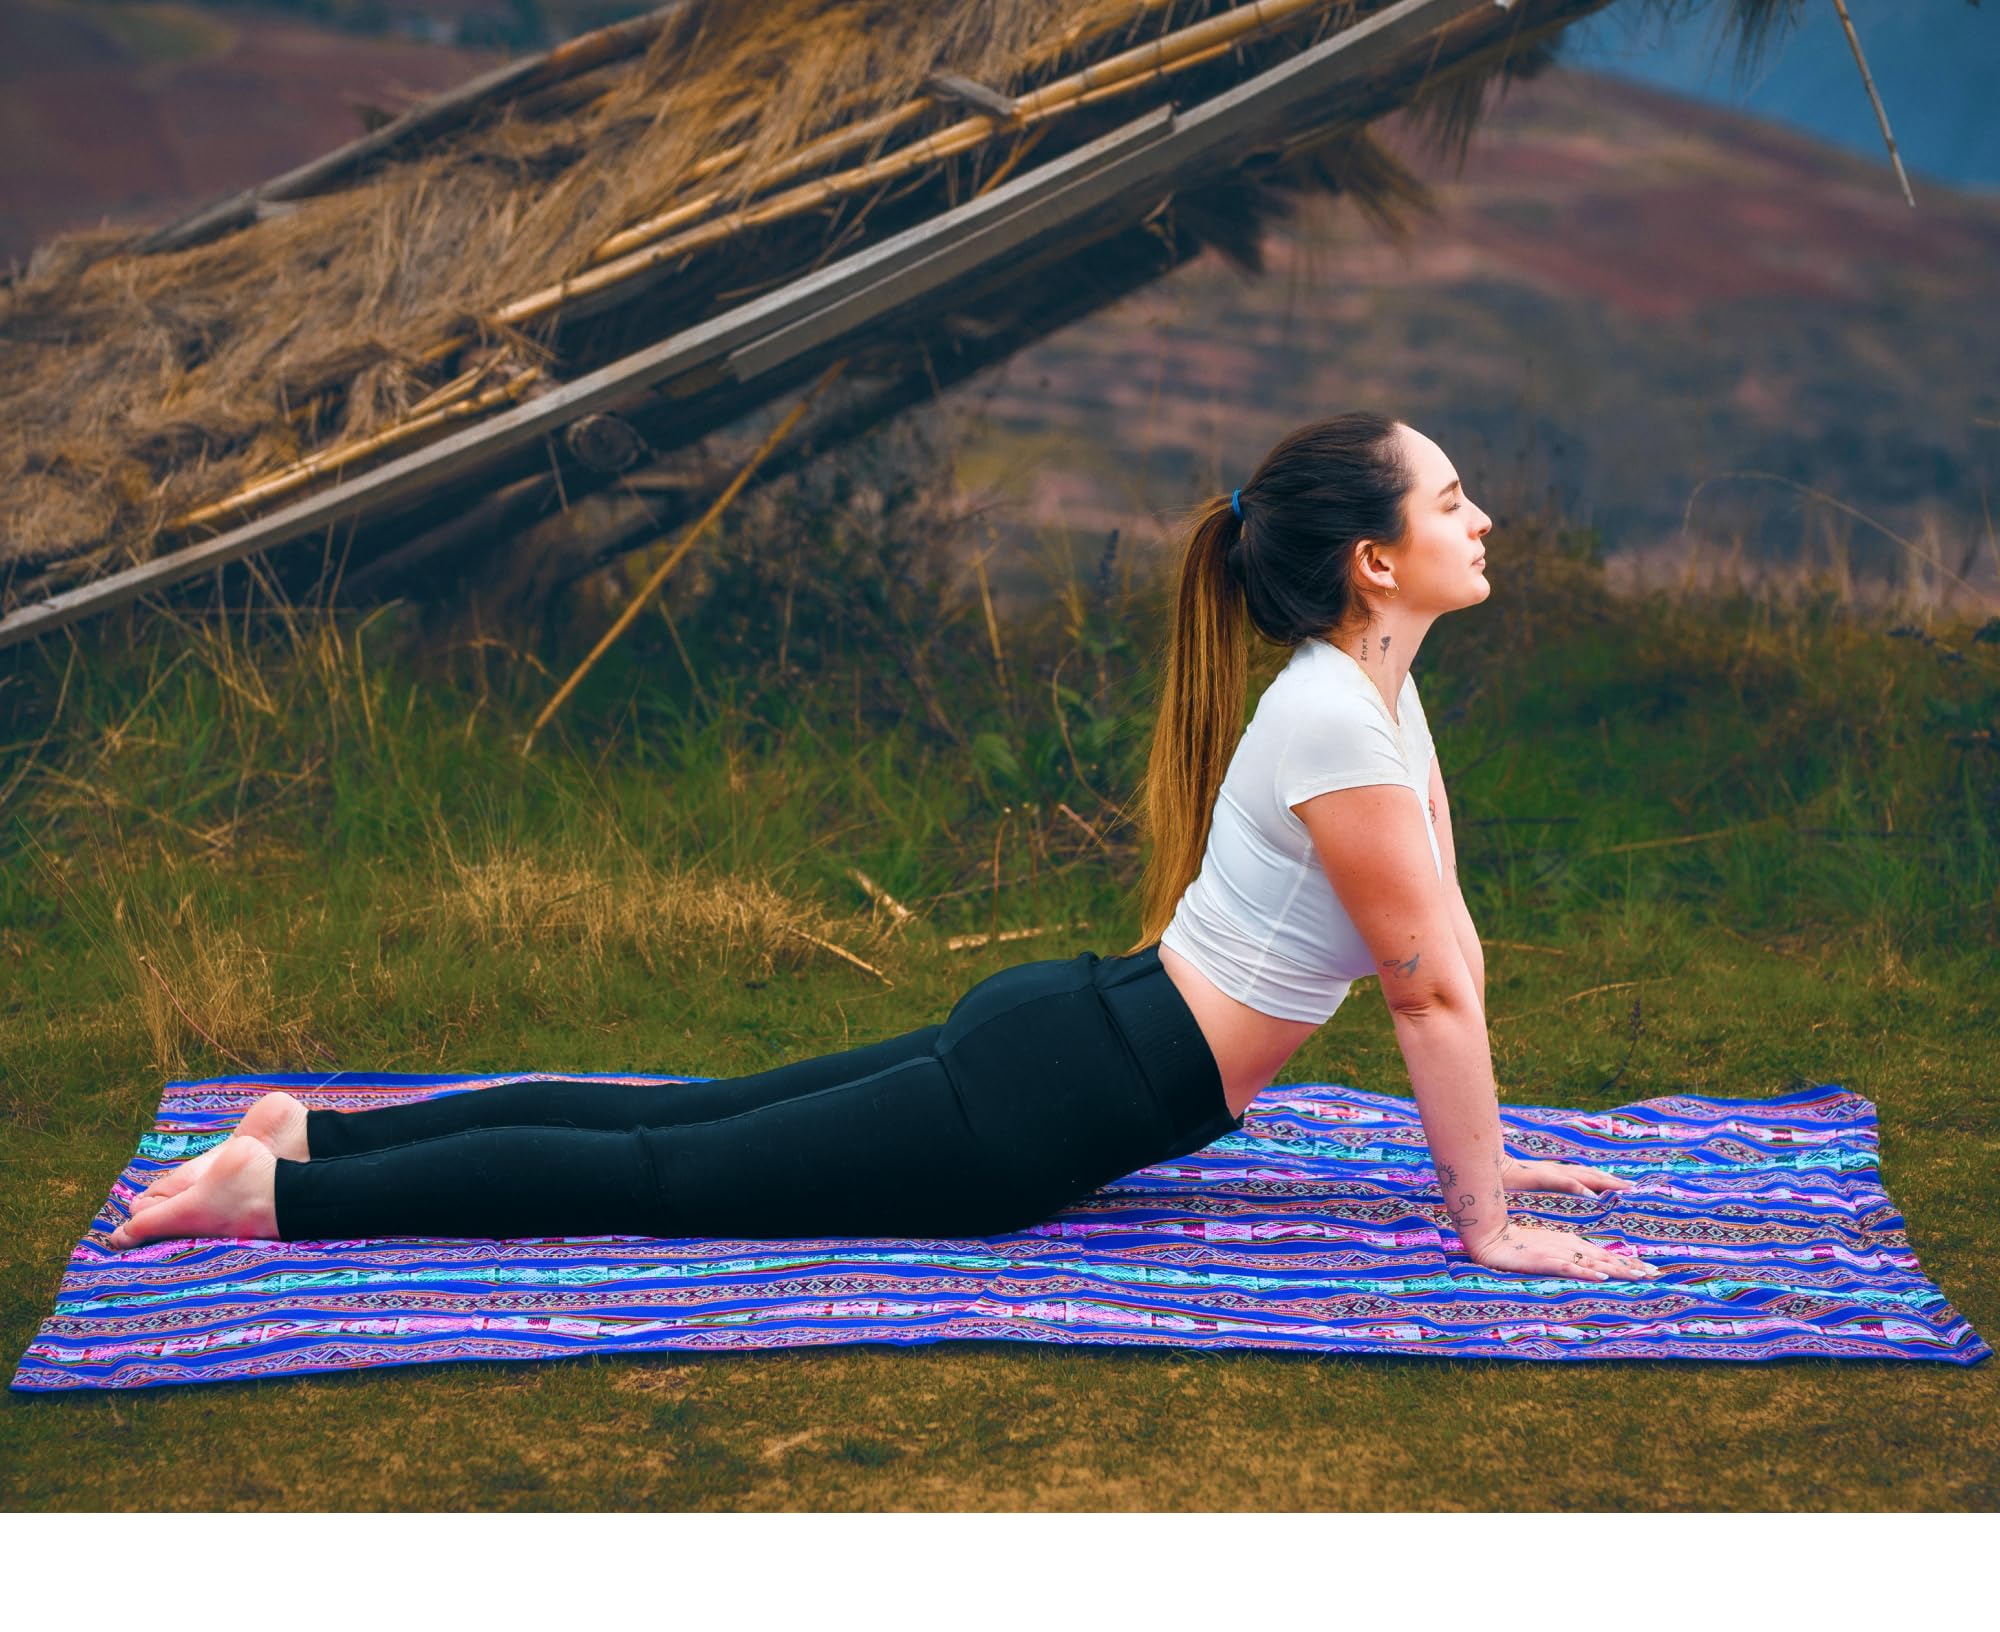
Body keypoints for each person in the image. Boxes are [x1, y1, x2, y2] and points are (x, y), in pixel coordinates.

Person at [108, 413, 1664, 1284]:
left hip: (1076, 1038)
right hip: (1049, 1100)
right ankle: (282, 1197)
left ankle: (312, 1134)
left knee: (686, 1125)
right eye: (1456, 500)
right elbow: (1428, 997)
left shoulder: (1377, 694)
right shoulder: (1340, 716)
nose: (1483, 524)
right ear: (1378, 558)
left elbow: (1442, 953)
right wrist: (1489, 1227)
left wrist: (1487, 1159)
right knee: (663, 1175)